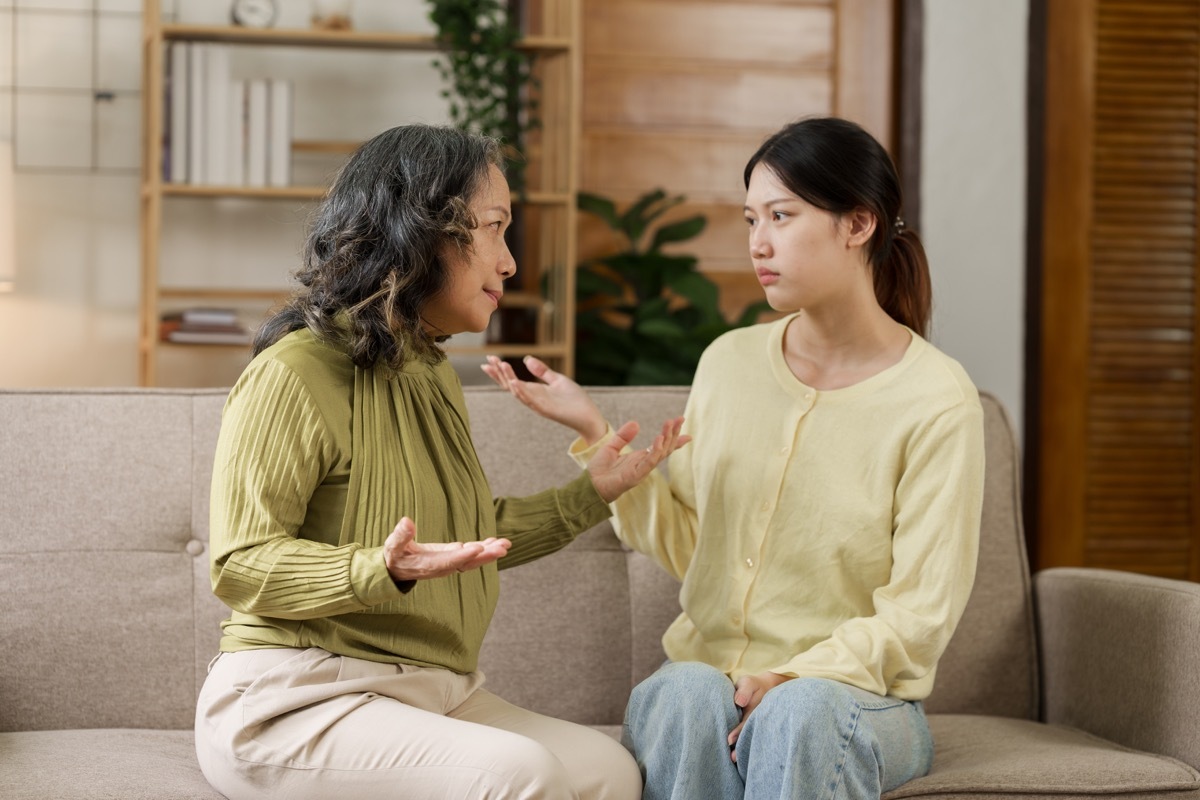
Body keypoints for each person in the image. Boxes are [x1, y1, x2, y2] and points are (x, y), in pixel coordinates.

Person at [483, 116, 985, 800]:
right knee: (684, 691)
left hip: (852, 700)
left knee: (800, 712)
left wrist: (790, 678)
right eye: (751, 219)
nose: (758, 243)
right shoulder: (729, 364)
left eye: (781, 216)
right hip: (711, 677)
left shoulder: (936, 398)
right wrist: (596, 432)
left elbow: (919, 614)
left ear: (859, 223)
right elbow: (698, 549)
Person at [195, 124, 688, 800]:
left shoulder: (429, 370)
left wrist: (589, 493)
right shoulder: (293, 373)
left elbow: (465, 534)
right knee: (524, 776)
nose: (510, 263)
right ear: (421, 231)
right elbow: (238, 564)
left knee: (610, 772)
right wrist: (380, 568)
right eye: (494, 228)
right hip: (295, 698)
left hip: (431, 691)